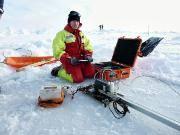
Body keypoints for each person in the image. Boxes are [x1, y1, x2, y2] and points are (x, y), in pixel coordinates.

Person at [51, 11, 95, 83]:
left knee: (91, 74)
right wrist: (69, 59)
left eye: (77, 21)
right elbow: (58, 51)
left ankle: (78, 70)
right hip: (70, 61)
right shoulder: (61, 34)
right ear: (69, 22)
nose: (76, 23)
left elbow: (87, 45)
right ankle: (59, 71)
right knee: (77, 79)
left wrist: (88, 55)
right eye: (73, 21)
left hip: (80, 60)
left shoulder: (81, 34)